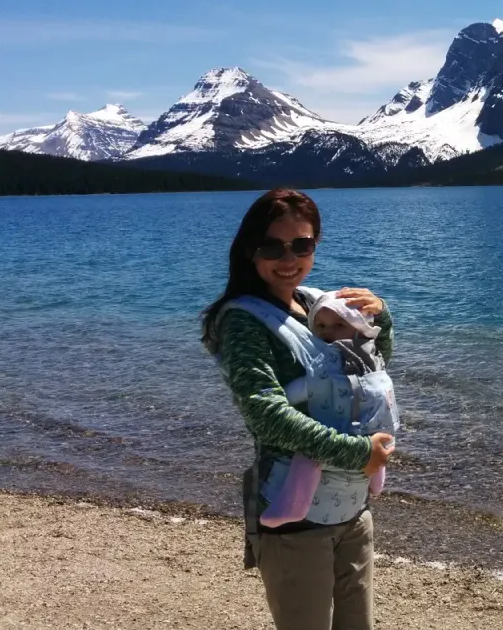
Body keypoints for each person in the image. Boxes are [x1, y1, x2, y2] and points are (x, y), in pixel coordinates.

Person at [201, 188, 394, 630]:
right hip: (296, 514)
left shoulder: (315, 303)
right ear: (250, 250)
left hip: (351, 506)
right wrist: (359, 453)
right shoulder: (242, 320)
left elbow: (370, 369)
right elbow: (265, 413)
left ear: (315, 245)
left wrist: (380, 319)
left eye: (301, 245)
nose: (288, 258)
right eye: (272, 246)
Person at [261, 290, 399, 528]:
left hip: (338, 429)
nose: (327, 332)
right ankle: (377, 483)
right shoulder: (371, 356)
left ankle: (294, 506)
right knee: (383, 441)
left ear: (358, 327)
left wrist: (279, 398)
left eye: (338, 325)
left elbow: (305, 387)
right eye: (321, 325)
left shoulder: (326, 359)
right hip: (374, 426)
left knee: (309, 457)